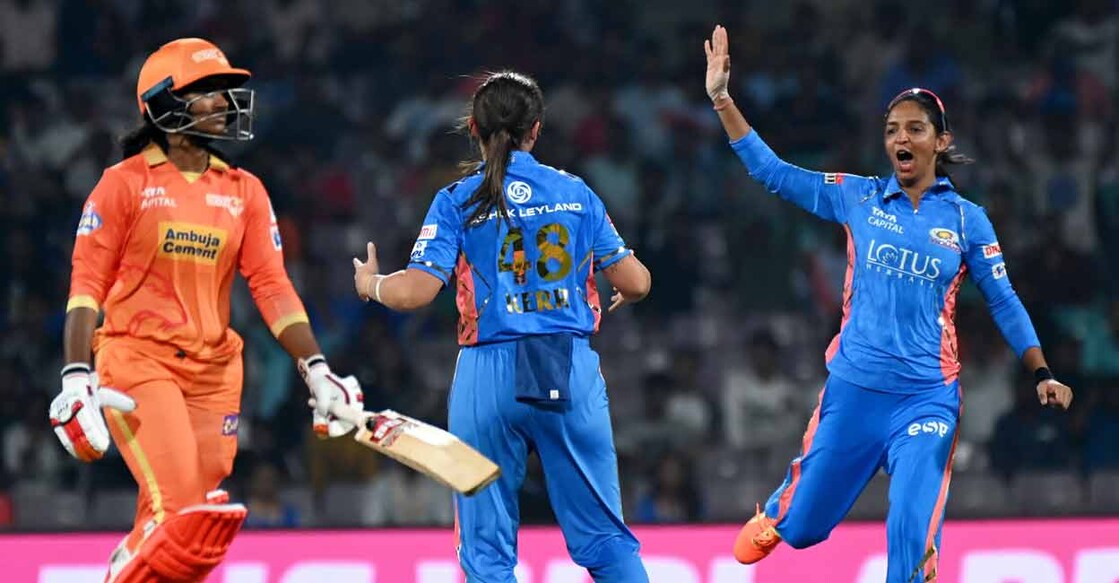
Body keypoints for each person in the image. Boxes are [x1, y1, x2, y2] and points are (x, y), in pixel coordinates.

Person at [703, 25, 1074, 582]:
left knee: (910, 527)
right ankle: (781, 510)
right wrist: (722, 99)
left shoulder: (967, 220)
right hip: (854, 393)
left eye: (915, 129)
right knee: (804, 531)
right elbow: (774, 174)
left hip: (927, 399)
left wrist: (1041, 370)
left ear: (940, 142)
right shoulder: (858, 195)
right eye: (892, 129)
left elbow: (1003, 300)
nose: (901, 137)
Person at [48, 38, 363, 583]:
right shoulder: (123, 185)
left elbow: (273, 287)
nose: (224, 102)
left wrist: (317, 368)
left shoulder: (245, 191)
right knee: (184, 515)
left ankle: (126, 564)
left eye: (225, 92)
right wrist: (77, 377)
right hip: (139, 363)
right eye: (207, 93)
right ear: (164, 105)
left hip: (216, 374)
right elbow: (86, 288)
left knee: (187, 535)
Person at [351, 70, 652, 582]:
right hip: (566, 366)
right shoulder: (575, 193)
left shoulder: (457, 200)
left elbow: (417, 291)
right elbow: (638, 282)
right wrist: (621, 285)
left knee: (486, 552)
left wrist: (371, 284)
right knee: (604, 539)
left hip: (485, 375)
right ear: (536, 129)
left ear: (473, 128)